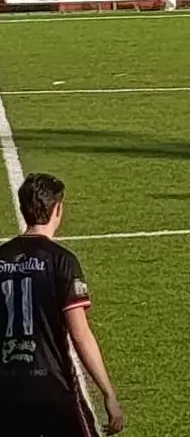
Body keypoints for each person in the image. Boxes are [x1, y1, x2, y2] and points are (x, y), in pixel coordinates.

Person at [0, 173, 125, 435]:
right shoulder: (62, 261)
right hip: (53, 387)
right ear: (58, 209)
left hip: (6, 390)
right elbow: (80, 335)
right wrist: (108, 393)